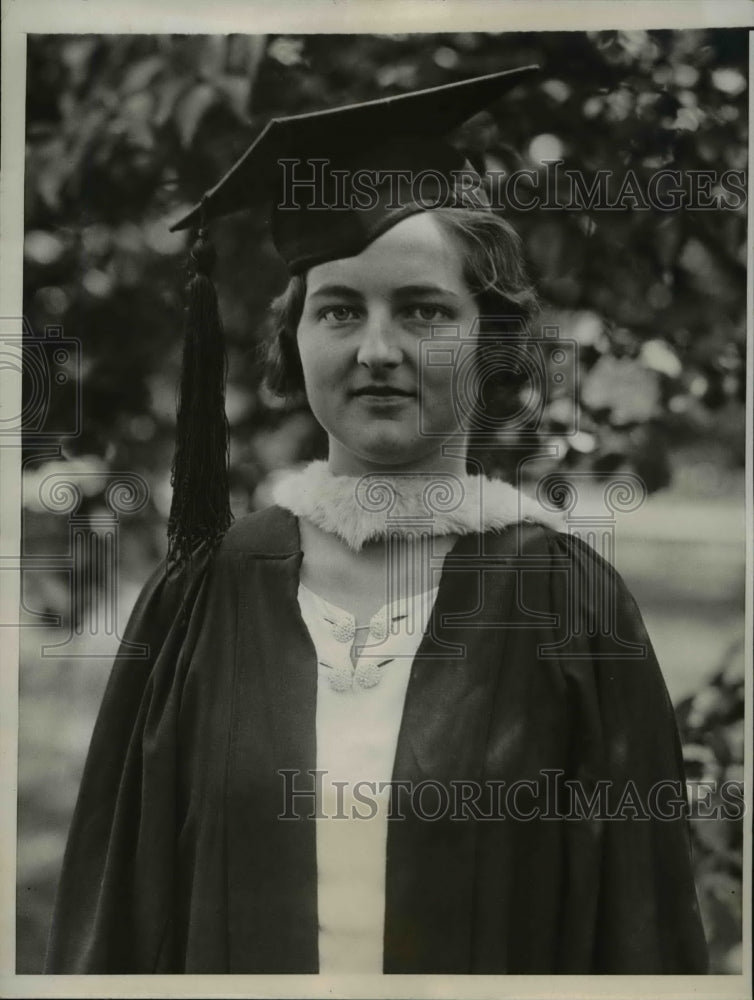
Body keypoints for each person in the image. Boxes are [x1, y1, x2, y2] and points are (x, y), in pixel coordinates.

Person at [45, 65, 708, 975]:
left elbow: (645, 938)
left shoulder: (570, 608)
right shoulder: (204, 596)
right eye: (340, 311)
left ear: (494, 340)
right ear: (295, 341)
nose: (378, 350)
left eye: (425, 310)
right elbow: (114, 922)